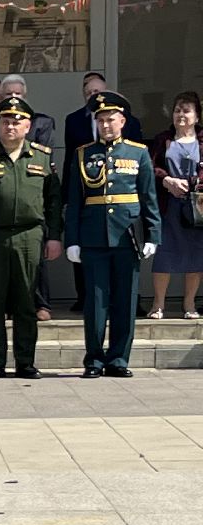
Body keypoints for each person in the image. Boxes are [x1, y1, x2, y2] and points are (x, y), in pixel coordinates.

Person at [0, 96, 62, 380]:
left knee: (26, 301)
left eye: (17, 122)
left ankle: (25, 362)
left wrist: (54, 237)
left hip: (30, 236)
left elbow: (54, 202)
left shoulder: (41, 157)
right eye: (6, 121)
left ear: (28, 126)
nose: (10, 126)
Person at [64, 90, 162, 378]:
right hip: (93, 237)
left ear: (123, 121)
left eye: (111, 120)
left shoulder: (138, 152)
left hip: (126, 236)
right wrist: (72, 240)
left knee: (125, 299)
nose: (105, 125)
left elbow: (149, 198)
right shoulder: (83, 154)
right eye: (101, 120)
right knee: (95, 302)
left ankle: (119, 358)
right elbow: (74, 201)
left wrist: (153, 234)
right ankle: (94, 359)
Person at [147, 91, 203, 319]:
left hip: (197, 208)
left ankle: (189, 304)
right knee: (164, 255)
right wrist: (167, 180)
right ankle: (158, 303)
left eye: (186, 110)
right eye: (177, 110)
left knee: (195, 255)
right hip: (168, 206)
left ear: (197, 116)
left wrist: (194, 182)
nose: (181, 115)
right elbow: (149, 166)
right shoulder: (163, 139)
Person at [0, 75, 56, 149]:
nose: (13, 97)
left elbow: (43, 157)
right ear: (1, 97)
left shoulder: (41, 124)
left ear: (24, 96)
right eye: (8, 94)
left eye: (18, 93)